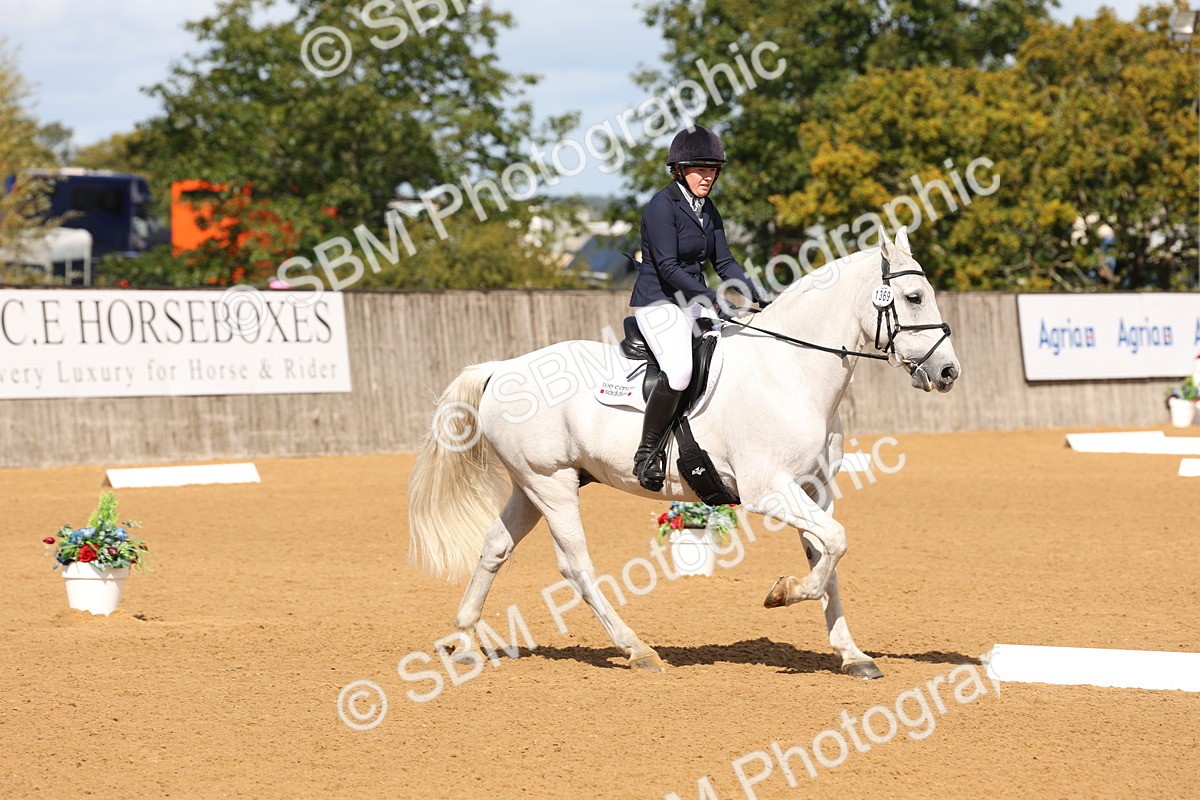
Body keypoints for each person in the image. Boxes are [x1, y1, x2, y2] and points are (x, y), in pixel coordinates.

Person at [629, 124, 771, 491]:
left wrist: (760, 293)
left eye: (712, 170)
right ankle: (647, 454)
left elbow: (724, 262)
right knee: (679, 372)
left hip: (691, 299)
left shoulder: (708, 209)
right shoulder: (662, 207)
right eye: (699, 169)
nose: (707, 177)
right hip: (659, 301)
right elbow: (668, 266)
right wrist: (713, 299)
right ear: (679, 170)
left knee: (738, 349)